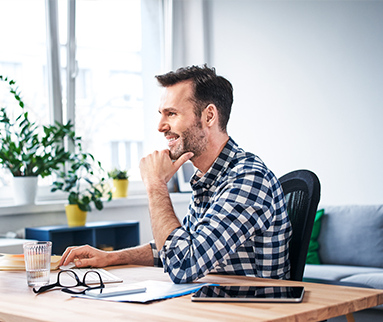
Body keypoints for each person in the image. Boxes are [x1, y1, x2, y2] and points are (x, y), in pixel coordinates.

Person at [60, 65, 292, 284]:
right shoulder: (210, 178)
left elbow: (182, 264)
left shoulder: (247, 180)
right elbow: (176, 249)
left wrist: (155, 184)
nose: (160, 126)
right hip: (214, 305)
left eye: (171, 114)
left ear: (209, 116)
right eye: (161, 114)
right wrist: (111, 258)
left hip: (253, 311)